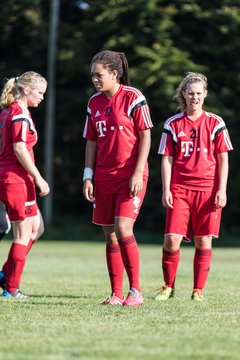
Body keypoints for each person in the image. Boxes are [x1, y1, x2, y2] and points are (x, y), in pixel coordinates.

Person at [83, 50, 153, 306]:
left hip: (129, 175)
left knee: (124, 228)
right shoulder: (93, 103)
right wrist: (88, 175)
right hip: (103, 176)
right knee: (110, 234)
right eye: (92, 76)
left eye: (99, 75)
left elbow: (145, 135)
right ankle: (116, 293)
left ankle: (136, 292)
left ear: (114, 73)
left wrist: (137, 171)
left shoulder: (134, 97)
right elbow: (91, 141)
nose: (95, 80)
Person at [156, 72, 233, 301]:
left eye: (199, 93)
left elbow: (223, 159)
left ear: (205, 95)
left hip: (208, 189)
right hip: (180, 188)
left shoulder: (216, 122)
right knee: (171, 238)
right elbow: (167, 158)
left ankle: (198, 290)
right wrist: (166, 188)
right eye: (191, 93)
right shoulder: (173, 124)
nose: (195, 97)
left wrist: (222, 189)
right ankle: (168, 286)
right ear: (184, 95)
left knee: (203, 239)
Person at [0, 71, 50, 298]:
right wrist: (38, 176)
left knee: (37, 228)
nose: (42, 97)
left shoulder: (9, 111)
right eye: (40, 92)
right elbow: (20, 148)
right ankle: (11, 288)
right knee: (22, 234)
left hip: (15, 177)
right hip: (15, 178)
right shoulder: (19, 113)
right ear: (27, 90)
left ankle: (5, 274)